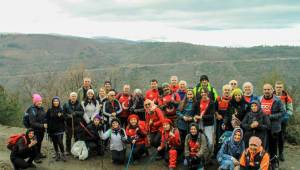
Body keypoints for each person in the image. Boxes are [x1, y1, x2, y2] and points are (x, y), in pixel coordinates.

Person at [259, 83, 284, 167]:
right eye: (265, 89)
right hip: (263, 127)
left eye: (268, 89)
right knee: (263, 145)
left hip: (274, 127)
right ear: (263, 90)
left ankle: (274, 163)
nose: (267, 91)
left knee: (273, 146)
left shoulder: (277, 100)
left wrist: (270, 117)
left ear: (272, 90)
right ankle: (264, 162)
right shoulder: (259, 99)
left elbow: (282, 112)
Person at [274, 81, 293, 161]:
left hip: (282, 120)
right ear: (275, 88)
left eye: (280, 87)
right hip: (274, 120)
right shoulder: (271, 96)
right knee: (274, 137)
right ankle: (274, 154)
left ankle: (281, 153)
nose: (279, 89)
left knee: (281, 137)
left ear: (283, 88)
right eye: (277, 87)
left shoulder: (287, 97)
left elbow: (290, 110)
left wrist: (285, 117)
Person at [194, 88, 216, 157]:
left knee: (210, 142)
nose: (203, 94)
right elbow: (195, 113)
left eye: (205, 92)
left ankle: (210, 155)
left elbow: (212, 116)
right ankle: (201, 157)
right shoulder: (197, 102)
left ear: (208, 93)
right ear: (200, 94)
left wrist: (201, 117)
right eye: (202, 92)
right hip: (199, 124)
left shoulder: (211, 103)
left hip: (208, 124)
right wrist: (195, 117)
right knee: (200, 141)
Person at [26, 93, 47, 162]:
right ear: (35, 102)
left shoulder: (41, 108)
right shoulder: (32, 110)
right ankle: (35, 157)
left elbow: (44, 117)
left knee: (39, 142)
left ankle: (39, 153)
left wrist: (46, 122)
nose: (40, 102)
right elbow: (32, 123)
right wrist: (42, 125)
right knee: (35, 143)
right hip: (34, 130)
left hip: (41, 130)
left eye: (40, 101)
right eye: (38, 101)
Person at [46, 96, 66, 161]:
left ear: (59, 102)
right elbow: (47, 119)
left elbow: (64, 119)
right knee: (54, 142)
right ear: (52, 102)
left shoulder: (61, 109)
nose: (56, 102)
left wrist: (61, 116)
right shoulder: (49, 110)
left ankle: (63, 153)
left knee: (60, 142)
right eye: (54, 101)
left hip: (60, 128)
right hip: (52, 129)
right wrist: (48, 129)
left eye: (57, 101)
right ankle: (57, 153)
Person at [215, 84, 232, 151]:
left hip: (229, 122)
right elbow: (214, 109)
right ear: (223, 91)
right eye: (225, 90)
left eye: (228, 90)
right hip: (220, 121)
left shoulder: (232, 100)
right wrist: (217, 115)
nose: (227, 91)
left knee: (228, 137)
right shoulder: (218, 99)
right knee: (219, 137)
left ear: (230, 91)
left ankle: (227, 151)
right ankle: (218, 151)